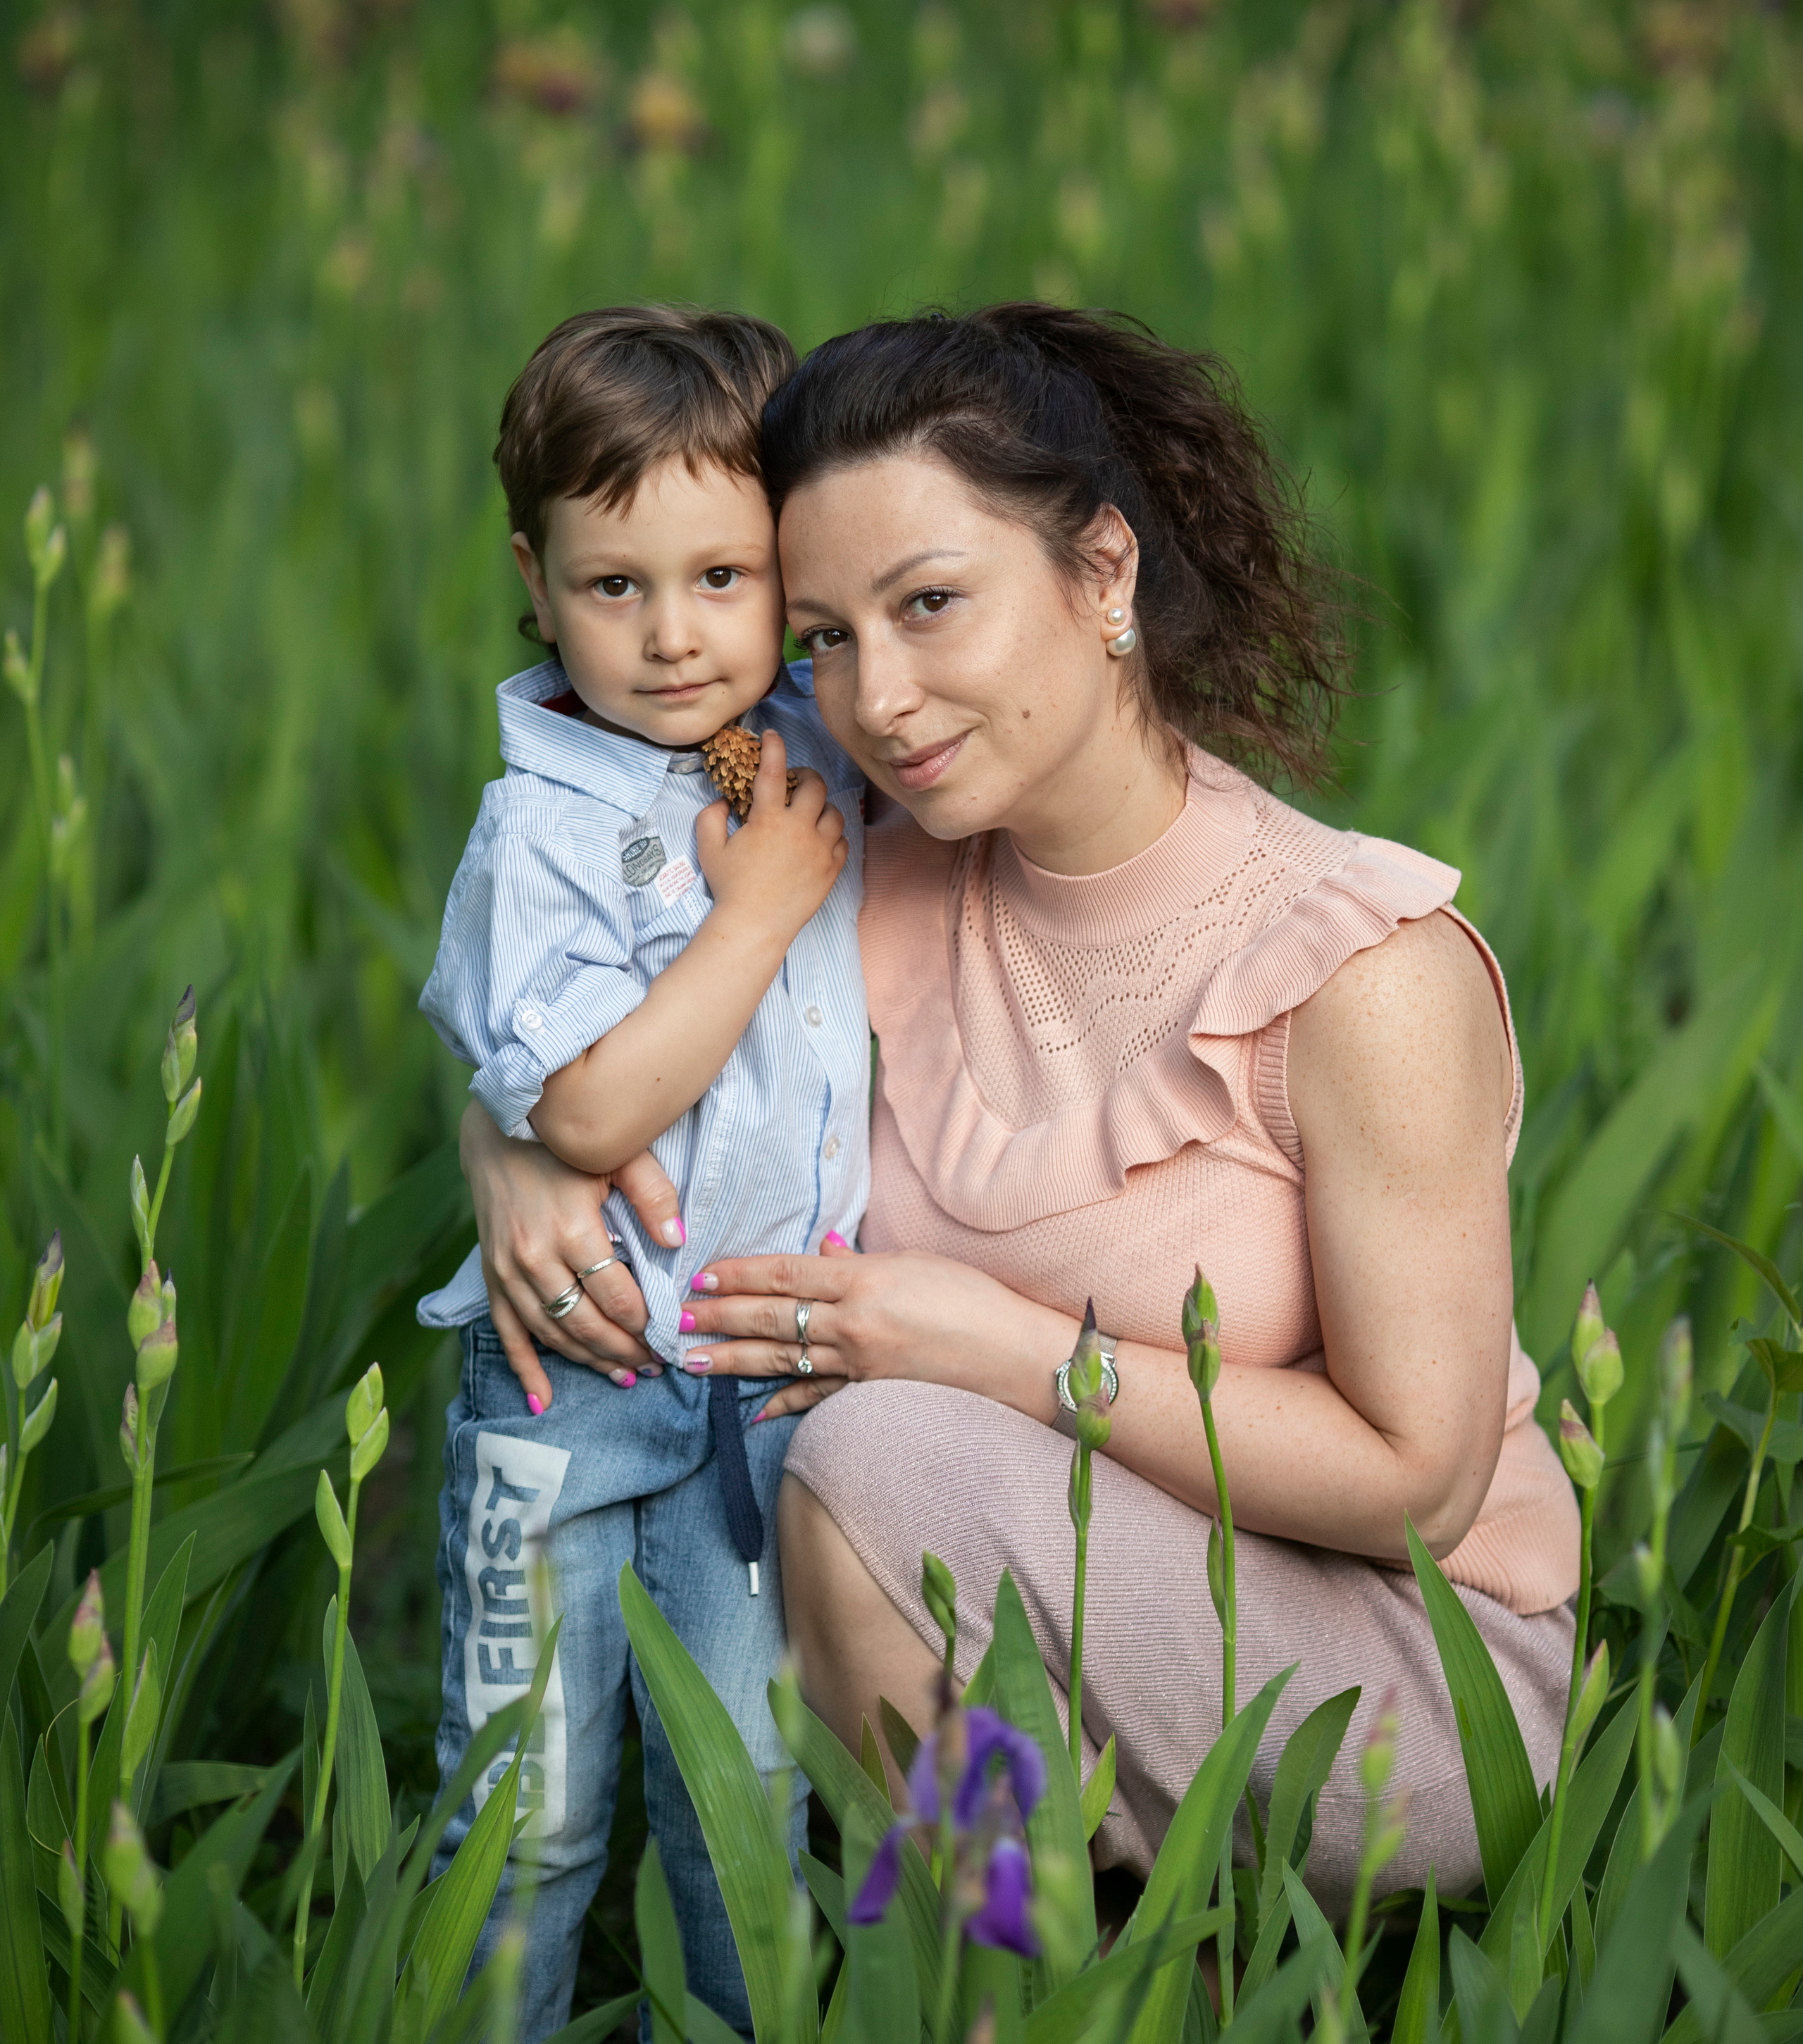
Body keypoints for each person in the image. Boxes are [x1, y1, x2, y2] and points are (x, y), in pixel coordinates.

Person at [462, 302, 1580, 1917]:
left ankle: (1024, 2042)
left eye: (930, 606)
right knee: (796, 1429)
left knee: (860, 1440)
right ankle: (1082, 2012)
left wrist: (990, 1341)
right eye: (826, 635)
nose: (877, 696)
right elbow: (581, 981)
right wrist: (505, 1149)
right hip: (1042, 1564)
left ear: (1102, 573)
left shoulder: (1359, 972)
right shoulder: (848, 869)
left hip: (1394, 1661)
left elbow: (1421, 1479)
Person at [416, 304, 869, 2044]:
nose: (674, 631)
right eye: (616, 584)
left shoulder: (814, 757)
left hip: (767, 1380)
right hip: (577, 1388)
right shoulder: (536, 827)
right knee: (529, 1809)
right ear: (535, 582)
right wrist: (752, 915)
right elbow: (590, 1104)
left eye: (721, 573)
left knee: (746, 1802)